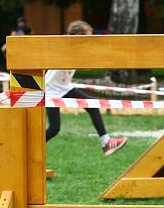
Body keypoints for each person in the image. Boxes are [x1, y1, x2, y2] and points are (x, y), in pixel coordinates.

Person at [44, 20, 128, 156]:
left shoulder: (78, 49)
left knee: (92, 104)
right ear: (78, 36)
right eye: (88, 36)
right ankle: (31, 147)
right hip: (51, 91)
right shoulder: (65, 47)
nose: (90, 39)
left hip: (64, 88)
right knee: (54, 128)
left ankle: (106, 143)